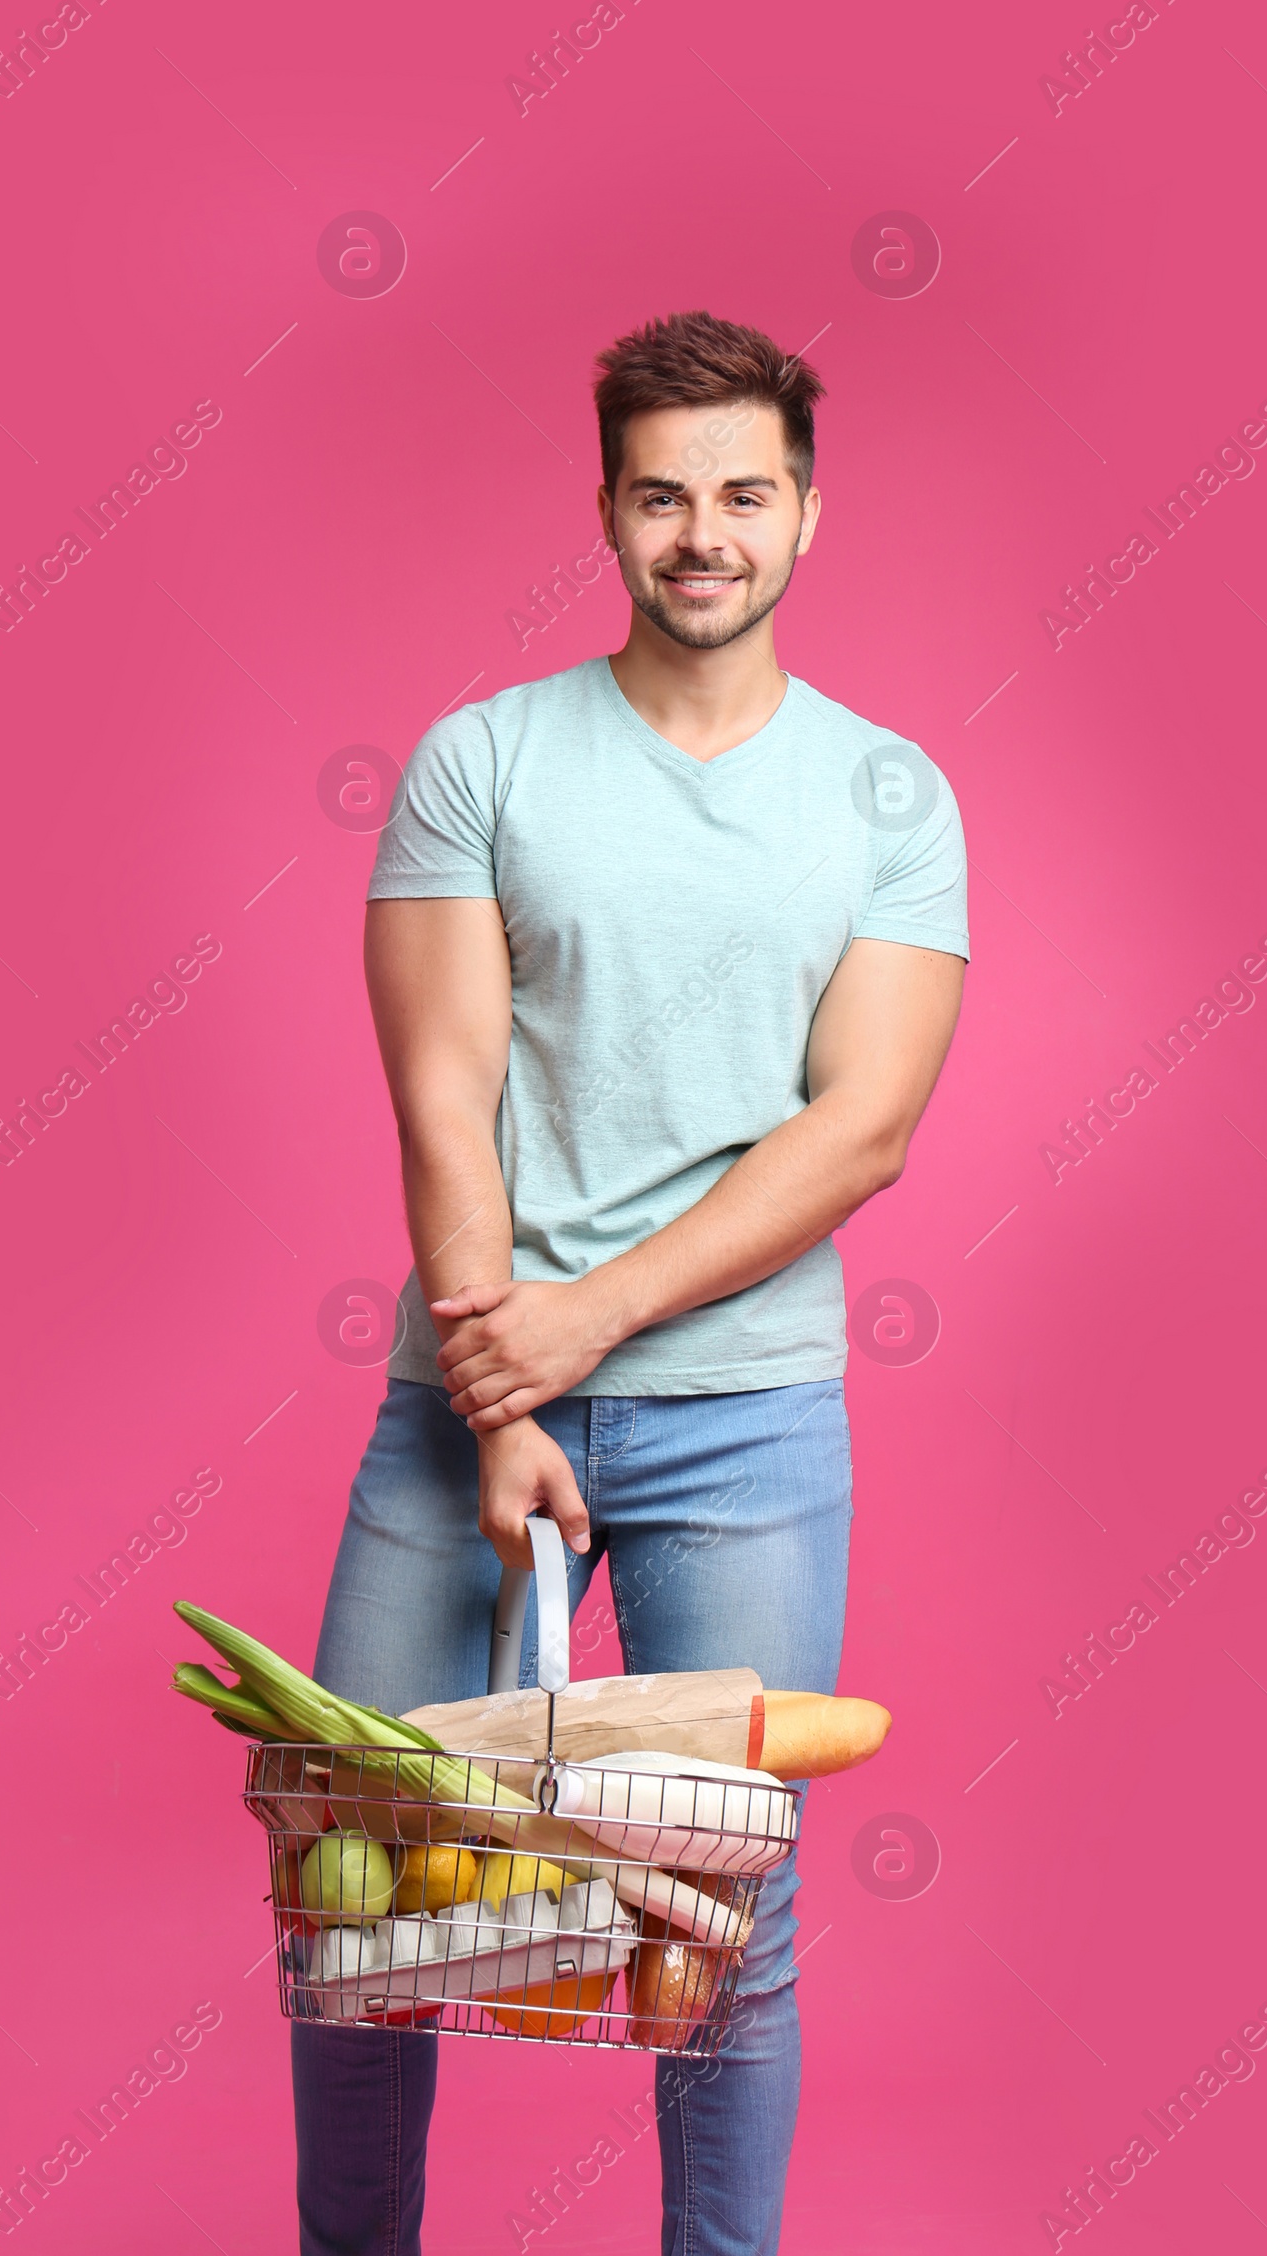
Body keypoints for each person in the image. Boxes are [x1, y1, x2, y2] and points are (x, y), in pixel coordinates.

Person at [294, 309, 969, 2255]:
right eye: (662, 493)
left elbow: (859, 1131)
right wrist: (506, 1395)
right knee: (359, 1900)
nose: (703, 532)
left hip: (744, 1425)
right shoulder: (479, 762)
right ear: (603, 509)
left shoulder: (888, 799)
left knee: (712, 1936)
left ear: (804, 515)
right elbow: (445, 1096)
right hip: (462, 1413)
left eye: (741, 493)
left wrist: (584, 1324)